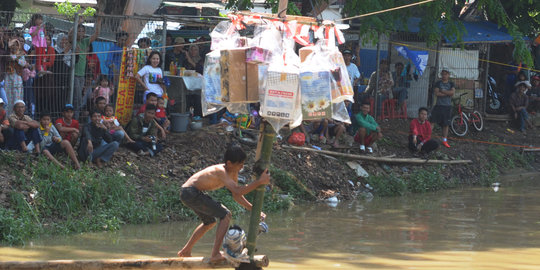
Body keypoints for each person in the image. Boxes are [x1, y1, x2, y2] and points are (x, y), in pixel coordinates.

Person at [177, 144, 270, 262]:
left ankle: (185, 251)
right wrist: (259, 182)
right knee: (226, 215)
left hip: (191, 193)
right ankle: (215, 254)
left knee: (209, 223)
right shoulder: (221, 171)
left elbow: (237, 195)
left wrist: (253, 209)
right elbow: (237, 190)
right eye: (239, 164)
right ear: (230, 163)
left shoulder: (233, 172)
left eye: (243, 164)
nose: (241, 167)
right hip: (190, 192)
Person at [69, 15, 102, 118]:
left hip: (82, 75)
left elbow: (96, 34)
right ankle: (75, 118)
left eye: (82, 31)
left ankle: (76, 117)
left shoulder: (84, 42)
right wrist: (77, 23)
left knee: (79, 97)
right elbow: (70, 35)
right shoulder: (73, 41)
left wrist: (99, 21)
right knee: (76, 98)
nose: (81, 33)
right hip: (74, 74)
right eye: (79, 31)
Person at [431, 69, 455, 148]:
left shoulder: (451, 83)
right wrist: (447, 93)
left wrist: (443, 91)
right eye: (443, 74)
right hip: (438, 105)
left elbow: (452, 93)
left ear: (448, 75)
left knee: (446, 124)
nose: (444, 75)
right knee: (432, 122)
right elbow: (437, 93)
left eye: (446, 74)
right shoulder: (438, 83)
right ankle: (427, 137)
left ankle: (444, 140)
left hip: (447, 107)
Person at [5, 38, 27, 113]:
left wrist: (17, 58)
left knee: (17, 96)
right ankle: (8, 116)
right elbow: (11, 58)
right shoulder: (7, 54)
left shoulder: (21, 54)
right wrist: (16, 57)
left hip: (17, 77)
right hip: (8, 77)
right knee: (8, 97)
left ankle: (17, 114)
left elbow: (23, 63)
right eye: (13, 45)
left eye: (16, 45)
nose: (14, 47)